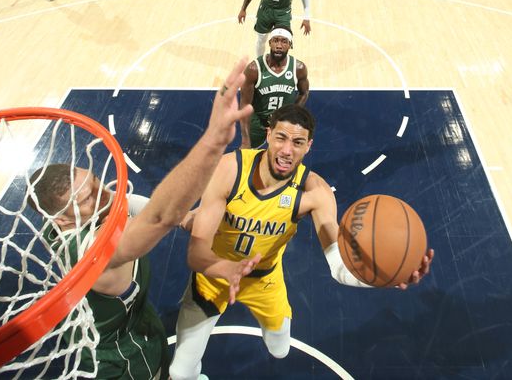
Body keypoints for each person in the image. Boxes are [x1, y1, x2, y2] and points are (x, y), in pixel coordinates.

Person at [26, 58, 258, 379]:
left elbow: (127, 203)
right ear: (63, 223)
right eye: (87, 198)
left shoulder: (78, 214)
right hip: (122, 358)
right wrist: (214, 140)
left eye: (94, 181)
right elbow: (159, 217)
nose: (103, 194)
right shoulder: (87, 249)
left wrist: (187, 219)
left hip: (136, 321)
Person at [169, 104, 434, 380]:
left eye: (297, 142)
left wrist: (381, 277)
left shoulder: (315, 193)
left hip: (264, 281)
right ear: (269, 134)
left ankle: (178, 215)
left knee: (280, 350)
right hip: (213, 276)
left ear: (308, 146)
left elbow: (338, 268)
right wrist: (225, 269)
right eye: (281, 138)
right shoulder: (229, 169)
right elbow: (196, 255)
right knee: (178, 373)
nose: (287, 150)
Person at [239, 27, 309, 149]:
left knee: (282, 157)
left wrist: (291, 113)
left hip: (283, 123)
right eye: (275, 40)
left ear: (290, 45)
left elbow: (304, 93)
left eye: (284, 41)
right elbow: (245, 105)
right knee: (249, 157)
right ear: (270, 42)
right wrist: (245, 139)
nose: (279, 45)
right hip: (258, 122)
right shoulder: (254, 70)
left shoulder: (298, 68)